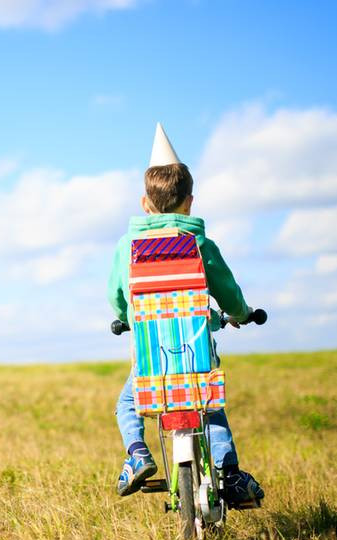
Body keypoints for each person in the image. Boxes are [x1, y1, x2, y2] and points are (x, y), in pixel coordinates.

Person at [107, 123, 264, 506]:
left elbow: (117, 293)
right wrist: (241, 313)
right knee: (210, 408)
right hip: (195, 354)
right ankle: (229, 475)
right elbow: (227, 292)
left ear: (145, 204)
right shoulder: (199, 243)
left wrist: (124, 315)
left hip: (149, 358)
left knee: (128, 404)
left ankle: (138, 455)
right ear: (189, 203)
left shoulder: (129, 246)